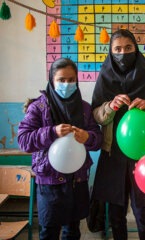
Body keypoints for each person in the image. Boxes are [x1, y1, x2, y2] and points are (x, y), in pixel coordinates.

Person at [91, 29, 145, 240]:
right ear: (110, 51)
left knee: (142, 211)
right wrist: (109, 106)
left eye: (128, 48)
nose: (122, 53)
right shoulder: (105, 76)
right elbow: (96, 116)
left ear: (136, 49)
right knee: (116, 213)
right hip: (112, 154)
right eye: (117, 49)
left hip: (142, 156)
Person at [17, 58, 103, 240]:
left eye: (71, 80)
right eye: (61, 80)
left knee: (73, 231)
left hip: (77, 181)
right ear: (51, 80)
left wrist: (88, 137)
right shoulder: (39, 108)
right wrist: (51, 132)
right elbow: (24, 141)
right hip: (49, 182)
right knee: (49, 231)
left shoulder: (84, 108)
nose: (67, 84)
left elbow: (98, 140)